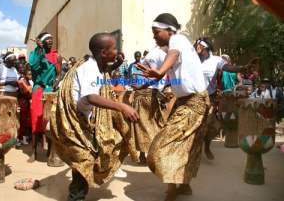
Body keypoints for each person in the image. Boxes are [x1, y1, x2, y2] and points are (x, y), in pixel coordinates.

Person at [50, 32, 139, 201]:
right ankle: (76, 197)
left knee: (88, 158)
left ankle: (78, 194)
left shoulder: (95, 65)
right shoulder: (88, 69)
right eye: (114, 48)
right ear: (103, 53)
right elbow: (91, 96)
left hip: (84, 121)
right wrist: (121, 106)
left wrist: (117, 64)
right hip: (75, 124)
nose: (117, 50)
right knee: (84, 160)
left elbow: (102, 73)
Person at [137, 13, 209, 201]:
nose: (154, 36)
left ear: (169, 31)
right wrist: (145, 85)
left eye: (156, 32)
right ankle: (181, 185)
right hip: (185, 101)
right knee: (185, 145)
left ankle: (174, 188)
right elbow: (175, 78)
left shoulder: (178, 40)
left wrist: (160, 72)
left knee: (163, 145)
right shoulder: (174, 49)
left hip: (196, 102)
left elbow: (172, 55)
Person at [194, 37, 247, 160]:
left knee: (212, 127)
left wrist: (241, 68)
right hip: (194, 99)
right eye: (196, 45)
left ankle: (207, 146)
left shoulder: (216, 60)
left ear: (206, 48)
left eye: (199, 46)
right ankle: (194, 152)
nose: (197, 48)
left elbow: (228, 68)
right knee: (196, 127)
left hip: (210, 99)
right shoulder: (192, 60)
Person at [28, 32, 62, 162]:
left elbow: (59, 74)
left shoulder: (57, 56)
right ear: (41, 41)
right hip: (38, 89)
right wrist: (39, 49)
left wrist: (56, 82)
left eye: (51, 39)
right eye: (47, 39)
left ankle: (50, 151)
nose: (50, 41)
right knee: (35, 120)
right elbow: (33, 65)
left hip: (50, 90)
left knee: (49, 120)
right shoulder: (35, 54)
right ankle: (33, 152)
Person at [16, 68, 33, 146]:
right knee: (21, 122)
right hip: (22, 103)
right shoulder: (21, 82)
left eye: (31, 74)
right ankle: (18, 139)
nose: (31, 76)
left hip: (27, 104)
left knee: (26, 122)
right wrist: (30, 91)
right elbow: (24, 92)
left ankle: (23, 139)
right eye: (29, 74)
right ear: (25, 75)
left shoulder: (28, 82)